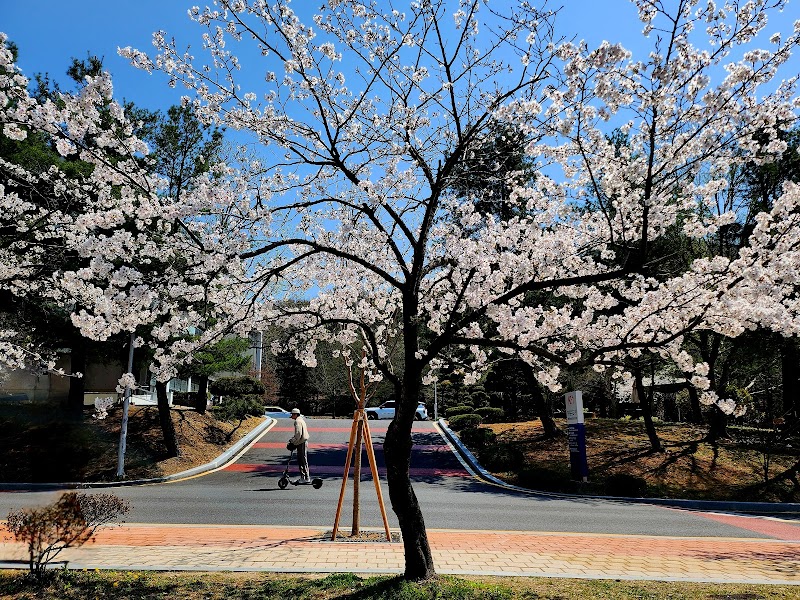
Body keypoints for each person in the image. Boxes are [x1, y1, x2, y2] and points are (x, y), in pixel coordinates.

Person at [288, 408, 310, 484]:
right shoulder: (301, 420)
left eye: (292, 414)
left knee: (302, 460)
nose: (291, 416)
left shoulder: (297, 422)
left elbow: (298, 434)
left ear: (295, 414)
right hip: (303, 441)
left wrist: (292, 441)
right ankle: (304, 477)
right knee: (302, 459)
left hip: (301, 442)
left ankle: (305, 477)